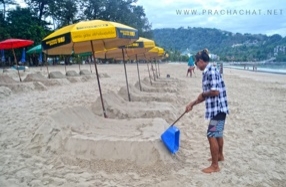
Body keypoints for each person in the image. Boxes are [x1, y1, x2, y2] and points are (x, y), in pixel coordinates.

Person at [185, 49, 229, 173]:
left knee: (211, 135)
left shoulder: (212, 72)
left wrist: (203, 94)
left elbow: (214, 92)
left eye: (196, 62)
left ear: (201, 61)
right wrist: (192, 104)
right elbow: (204, 96)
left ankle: (215, 166)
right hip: (217, 109)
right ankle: (220, 156)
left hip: (218, 109)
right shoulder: (207, 72)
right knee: (218, 133)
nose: (196, 65)